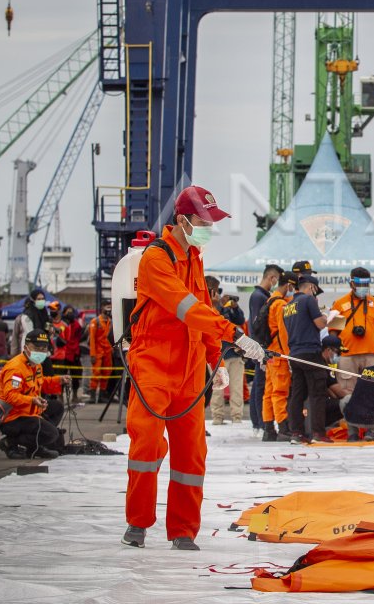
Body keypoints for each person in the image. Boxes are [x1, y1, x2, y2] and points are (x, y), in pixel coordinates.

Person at [122, 185, 267, 551]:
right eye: (205, 221)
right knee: (148, 446)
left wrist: (212, 358)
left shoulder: (195, 258)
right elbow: (185, 307)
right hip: (153, 365)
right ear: (184, 220)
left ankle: (183, 531)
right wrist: (233, 333)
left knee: (191, 452)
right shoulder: (156, 259)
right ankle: (137, 524)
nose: (209, 228)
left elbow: (202, 312)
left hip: (187, 369)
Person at [0, 330, 71, 459]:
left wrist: (59, 380)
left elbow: (41, 383)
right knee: (52, 434)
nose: (40, 352)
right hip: (14, 415)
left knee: (57, 407)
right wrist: (32, 400)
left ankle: (34, 447)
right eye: (36, 348)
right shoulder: (15, 368)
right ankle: (11, 442)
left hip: (30, 410)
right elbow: (10, 396)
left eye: (44, 348)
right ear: (26, 347)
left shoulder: (35, 365)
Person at [284, 273, 330, 443]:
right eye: (315, 290)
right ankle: (318, 433)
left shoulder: (288, 306)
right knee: (317, 393)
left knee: (297, 394)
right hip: (310, 352)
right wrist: (326, 316)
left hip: (294, 354)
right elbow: (320, 324)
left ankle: (296, 432)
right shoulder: (308, 300)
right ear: (311, 287)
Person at [331, 267, 374, 394]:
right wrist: (335, 356)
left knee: (372, 392)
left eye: (366, 284)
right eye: (360, 284)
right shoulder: (339, 304)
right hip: (346, 357)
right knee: (347, 392)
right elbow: (333, 332)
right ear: (351, 283)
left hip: (371, 355)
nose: (363, 287)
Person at [262, 272, 298, 440]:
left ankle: (268, 429)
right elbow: (283, 333)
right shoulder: (280, 305)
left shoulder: (270, 300)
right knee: (280, 392)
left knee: (269, 392)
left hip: (270, 354)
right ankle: (283, 427)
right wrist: (289, 356)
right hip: (279, 354)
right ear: (289, 286)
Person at [247, 264, 283, 435]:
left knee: (261, 385)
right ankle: (259, 422)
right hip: (260, 347)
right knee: (260, 386)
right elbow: (256, 325)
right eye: (277, 279)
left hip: (261, 347)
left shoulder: (262, 296)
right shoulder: (258, 297)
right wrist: (259, 348)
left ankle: (260, 422)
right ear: (272, 278)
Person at [207, 276, 247, 425]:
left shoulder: (226, 309)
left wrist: (234, 307)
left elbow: (241, 320)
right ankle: (217, 417)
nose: (218, 296)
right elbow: (216, 325)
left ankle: (237, 416)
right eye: (216, 292)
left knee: (236, 388)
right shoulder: (209, 309)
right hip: (217, 355)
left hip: (233, 354)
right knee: (218, 388)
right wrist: (219, 307)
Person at [343, 348, 374, 441]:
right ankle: (373, 432)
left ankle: (353, 434)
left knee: (346, 399)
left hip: (353, 418)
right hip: (372, 420)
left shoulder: (364, 371)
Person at [86, 301, 115, 404]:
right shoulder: (95, 321)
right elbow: (92, 339)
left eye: (110, 308)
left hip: (107, 351)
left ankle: (102, 395)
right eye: (107, 307)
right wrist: (92, 354)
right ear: (102, 307)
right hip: (97, 352)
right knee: (96, 373)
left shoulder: (111, 322)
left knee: (106, 373)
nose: (109, 310)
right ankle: (93, 396)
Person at [13, 289, 50, 358]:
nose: (41, 301)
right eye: (38, 299)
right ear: (33, 300)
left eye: (43, 299)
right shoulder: (27, 316)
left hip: (43, 350)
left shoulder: (44, 313)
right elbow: (30, 334)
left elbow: (46, 330)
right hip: (31, 350)